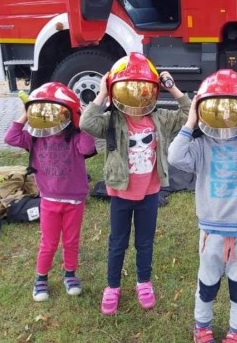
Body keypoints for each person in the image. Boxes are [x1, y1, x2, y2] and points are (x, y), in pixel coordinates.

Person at [168, 69, 237, 343]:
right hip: (211, 233)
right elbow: (174, 156)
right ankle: (202, 326)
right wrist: (191, 121)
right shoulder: (201, 147)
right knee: (207, 285)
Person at [79, 52, 191, 315]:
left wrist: (172, 87)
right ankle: (113, 287)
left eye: (142, 89)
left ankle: (143, 282)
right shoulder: (113, 120)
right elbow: (86, 122)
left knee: (145, 242)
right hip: (120, 193)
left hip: (149, 194)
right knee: (117, 242)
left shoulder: (160, 119)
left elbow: (188, 114)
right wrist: (102, 93)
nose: (135, 95)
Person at [4, 82, 96, 302]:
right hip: (49, 200)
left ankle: (70, 274)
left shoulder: (74, 137)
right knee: (49, 242)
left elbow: (88, 148)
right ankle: (41, 278)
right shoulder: (34, 139)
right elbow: (11, 138)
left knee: (71, 241)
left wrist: (81, 119)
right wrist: (25, 115)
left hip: (74, 200)